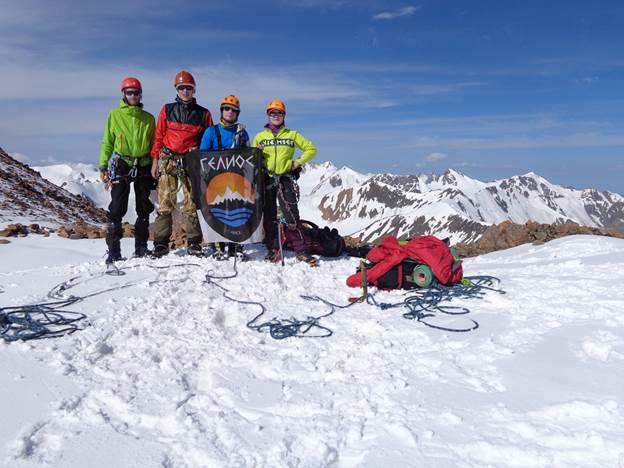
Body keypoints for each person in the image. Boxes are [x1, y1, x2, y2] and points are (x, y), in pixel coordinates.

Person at [150, 70, 213, 257]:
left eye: (188, 88)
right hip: (168, 158)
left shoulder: (203, 114)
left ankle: (194, 243)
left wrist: (199, 150)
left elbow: (208, 138)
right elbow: (159, 136)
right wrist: (155, 161)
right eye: (182, 88)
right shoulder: (167, 110)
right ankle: (161, 243)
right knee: (164, 202)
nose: (185, 91)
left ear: (194, 90)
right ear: (176, 90)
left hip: (190, 161)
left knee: (192, 202)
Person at [252, 99, 318, 266]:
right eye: (272, 113)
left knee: (291, 215)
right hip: (267, 178)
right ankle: (272, 248)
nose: (275, 116)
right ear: (268, 115)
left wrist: (297, 162)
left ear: (284, 115)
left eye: (279, 113)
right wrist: (257, 153)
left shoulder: (292, 135)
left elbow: (311, 149)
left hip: (285, 178)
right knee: (269, 216)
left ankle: (301, 250)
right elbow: (253, 159)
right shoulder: (260, 137)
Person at [99, 77, 156, 265]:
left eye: (136, 92)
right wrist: (103, 165)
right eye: (130, 92)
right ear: (124, 94)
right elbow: (107, 141)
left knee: (143, 207)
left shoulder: (148, 118)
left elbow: (155, 144)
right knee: (116, 208)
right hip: (121, 163)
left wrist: (156, 164)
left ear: (140, 95)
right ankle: (113, 250)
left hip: (144, 163)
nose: (133, 95)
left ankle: (141, 248)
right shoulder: (114, 115)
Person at [200, 95, 250, 261]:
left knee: (237, 211)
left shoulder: (242, 133)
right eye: (227, 108)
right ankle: (219, 246)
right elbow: (203, 155)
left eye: (234, 110)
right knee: (217, 211)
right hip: (216, 179)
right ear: (222, 110)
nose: (230, 112)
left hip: (236, 179)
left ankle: (236, 245)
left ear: (237, 113)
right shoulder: (211, 132)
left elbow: (248, 154)